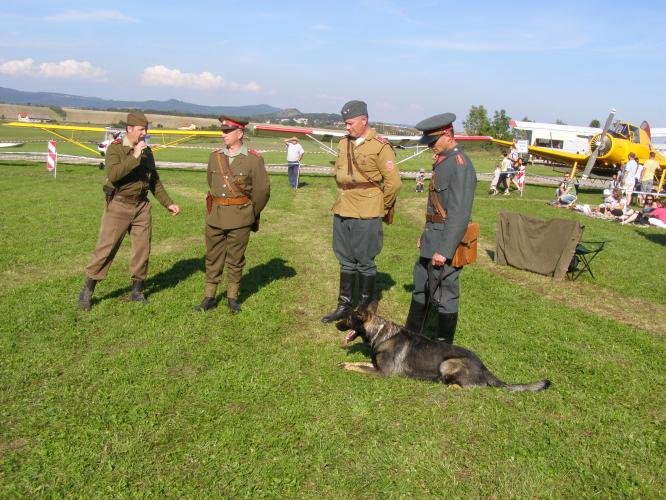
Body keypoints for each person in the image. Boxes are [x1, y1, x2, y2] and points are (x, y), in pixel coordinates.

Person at [78, 112, 180, 310]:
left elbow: (154, 181)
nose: (144, 133)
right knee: (106, 248)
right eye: (141, 130)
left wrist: (168, 203)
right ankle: (88, 290)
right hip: (119, 204)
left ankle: (137, 291)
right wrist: (134, 156)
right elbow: (114, 175)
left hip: (141, 206)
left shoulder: (147, 151)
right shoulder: (115, 149)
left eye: (146, 129)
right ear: (129, 129)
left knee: (142, 250)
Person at [321, 100, 402, 323]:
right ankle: (344, 305)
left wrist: (381, 206)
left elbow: (393, 183)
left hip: (367, 209)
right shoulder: (343, 144)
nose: (346, 127)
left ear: (363, 120)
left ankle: (364, 307)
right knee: (345, 257)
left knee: (364, 259)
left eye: (350, 123)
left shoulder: (380, 146)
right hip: (343, 205)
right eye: (345, 123)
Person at [403, 112, 477, 344]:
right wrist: (425, 237)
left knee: (445, 292)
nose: (430, 147)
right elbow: (436, 208)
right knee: (421, 285)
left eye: (433, 142)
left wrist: (444, 250)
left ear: (447, 134)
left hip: (446, 241)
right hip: (432, 237)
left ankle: (442, 345)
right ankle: (412, 336)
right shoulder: (443, 162)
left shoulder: (460, 165)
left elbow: (459, 214)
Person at [195, 116, 270, 313]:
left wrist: (249, 213)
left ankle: (232, 297)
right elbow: (211, 185)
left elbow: (262, 192)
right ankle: (209, 297)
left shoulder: (253, 159)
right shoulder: (215, 156)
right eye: (223, 131)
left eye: (228, 131)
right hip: (216, 216)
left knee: (235, 260)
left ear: (240, 133)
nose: (224, 135)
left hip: (240, 217)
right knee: (212, 258)